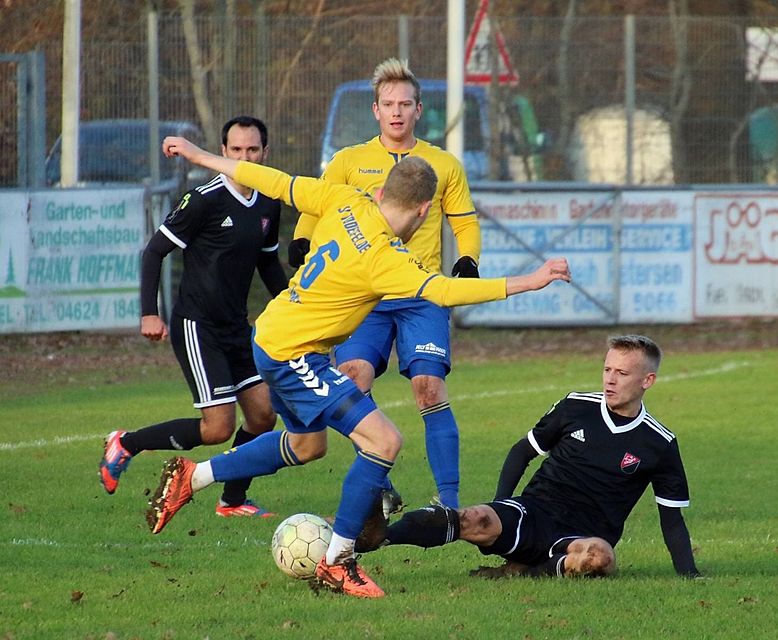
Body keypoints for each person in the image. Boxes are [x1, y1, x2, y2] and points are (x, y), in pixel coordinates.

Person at [147, 136, 571, 599]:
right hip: (294, 353)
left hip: (270, 335)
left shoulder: (344, 198)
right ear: (425, 210)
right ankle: (338, 562)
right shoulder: (387, 260)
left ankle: (195, 476)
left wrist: (201, 155)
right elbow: (447, 292)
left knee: (307, 446)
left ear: (382, 191)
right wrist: (532, 280)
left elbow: (276, 181)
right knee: (384, 439)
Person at [289, 58, 479, 511]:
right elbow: (316, 207)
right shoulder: (349, 161)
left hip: (420, 293)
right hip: (365, 295)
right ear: (375, 110)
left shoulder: (442, 163)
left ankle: (448, 503)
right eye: (388, 104)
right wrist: (300, 242)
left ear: (419, 110)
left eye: (405, 104)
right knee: (353, 379)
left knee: (429, 386)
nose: (397, 112)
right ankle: (379, 484)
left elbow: (464, 220)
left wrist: (469, 259)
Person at [363, 335, 701, 581]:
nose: (610, 379)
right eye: (607, 369)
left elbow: (671, 518)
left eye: (622, 373)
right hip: (535, 511)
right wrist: (501, 504)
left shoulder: (659, 443)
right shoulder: (576, 407)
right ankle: (380, 537)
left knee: (600, 558)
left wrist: (689, 574)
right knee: (475, 518)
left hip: (582, 536)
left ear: (648, 380)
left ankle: (522, 573)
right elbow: (521, 452)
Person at [99, 116, 287, 519]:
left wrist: (295, 307)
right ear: (223, 152)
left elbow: (268, 264)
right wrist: (150, 313)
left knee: (262, 413)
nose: (244, 156)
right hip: (197, 325)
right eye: (236, 150)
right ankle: (125, 443)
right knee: (217, 428)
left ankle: (232, 501)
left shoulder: (270, 200)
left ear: (265, 153)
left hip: (238, 326)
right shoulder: (204, 199)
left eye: (252, 150)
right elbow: (153, 252)